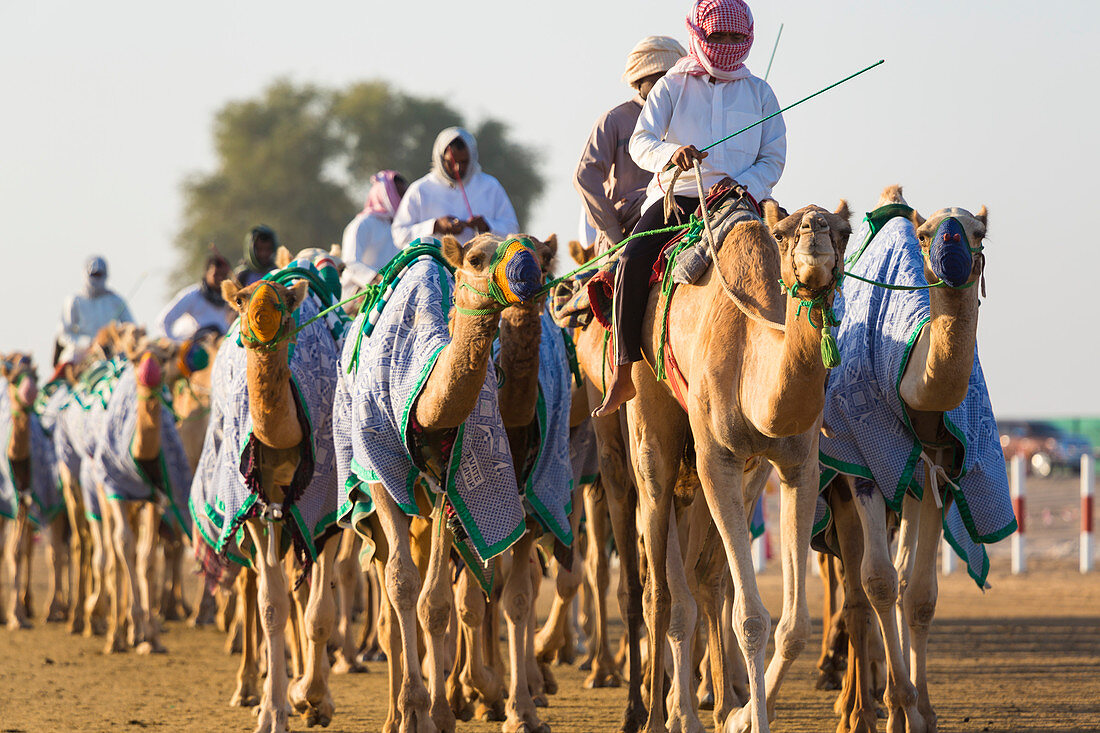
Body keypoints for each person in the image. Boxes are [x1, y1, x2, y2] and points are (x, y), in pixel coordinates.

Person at [593, 0, 786, 417]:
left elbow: (774, 158)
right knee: (633, 256)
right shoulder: (673, 85)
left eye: (736, 37)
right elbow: (640, 141)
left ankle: (807, 373)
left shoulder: (761, 93)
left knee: (800, 259)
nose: (728, 45)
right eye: (719, 36)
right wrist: (672, 153)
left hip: (740, 201)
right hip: (678, 198)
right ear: (700, 34)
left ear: (749, 37)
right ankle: (625, 371)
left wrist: (745, 183)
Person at [575, 35, 686, 254]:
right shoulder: (614, 120)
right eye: (658, 79)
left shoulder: (689, 118)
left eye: (671, 80)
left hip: (685, 215)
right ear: (639, 80)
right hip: (627, 230)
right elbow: (585, 176)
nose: (665, 87)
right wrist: (614, 234)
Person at [391, 127, 519, 247]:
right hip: (433, 266)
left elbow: (512, 230)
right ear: (440, 159)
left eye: (464, 162)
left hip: (479, 267)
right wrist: (435, 226)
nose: (458, 168)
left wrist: (487, 225)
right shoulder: (420, 189)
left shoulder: (490, 186)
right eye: (451, 163)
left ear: (472, 157)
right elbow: (399, 235)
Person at [55, 256, 134, 364]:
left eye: (99, 274)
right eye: (93, 274)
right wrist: (84, 343)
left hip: (111, 351)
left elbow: (131, 327)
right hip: (80, 353)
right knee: (67, 362)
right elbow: (63, 334)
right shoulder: (74, 300)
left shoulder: (115, 300)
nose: (96, 279)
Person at [155, 250, 233, 341]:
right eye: (216, 275)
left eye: (223, 275)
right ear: (207, 273)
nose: (220, 278)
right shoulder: (193, 296)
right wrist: (176, 346)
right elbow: (163, 322)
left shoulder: (232, 299)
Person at [341, 170, 409, 270]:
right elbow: (350, 262)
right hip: (362, 285)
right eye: (399, 194)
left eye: (405, 195)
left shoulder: (402, 227)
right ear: (385, 195)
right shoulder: (363, 224)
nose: (403, 200)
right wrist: (378, 279)